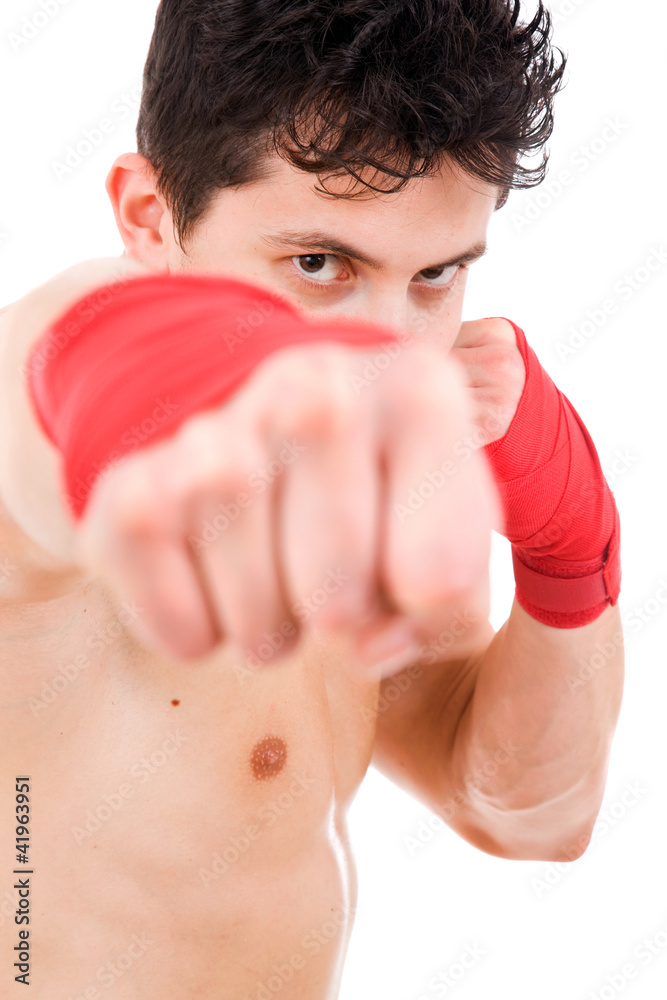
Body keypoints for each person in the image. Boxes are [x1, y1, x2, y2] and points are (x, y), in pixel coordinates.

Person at [0, 1, 624, 997]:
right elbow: (51, 396)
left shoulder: (370, 487)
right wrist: (142, 400)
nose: (390, 348)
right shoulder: (51, 392)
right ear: (149, 220)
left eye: (435, 277)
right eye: (319, 264)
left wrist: (569, 548)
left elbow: (528, 815)